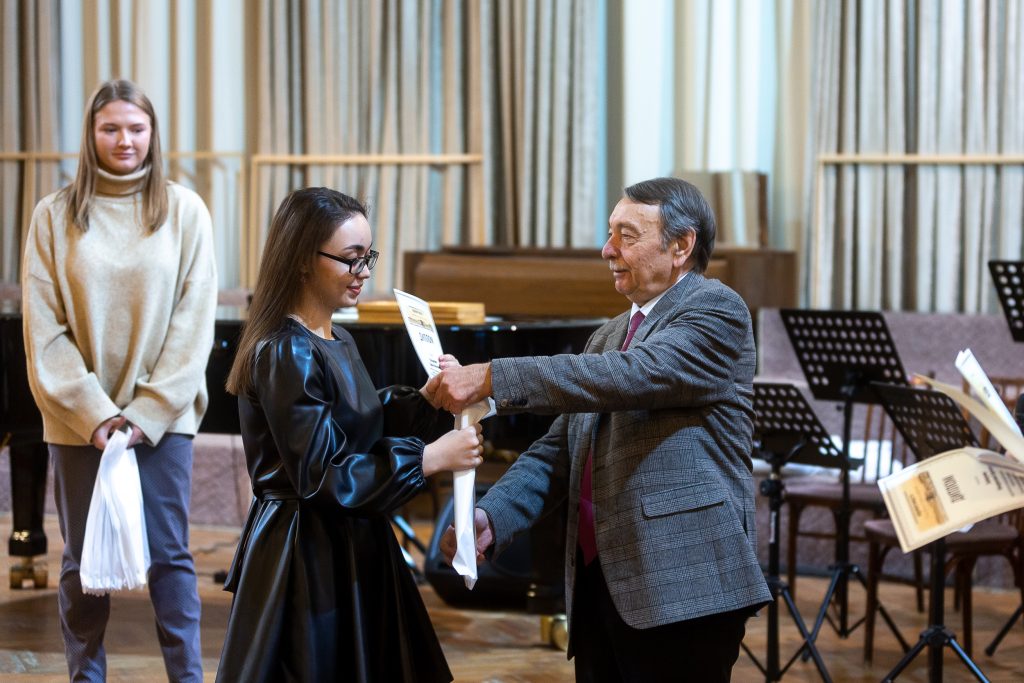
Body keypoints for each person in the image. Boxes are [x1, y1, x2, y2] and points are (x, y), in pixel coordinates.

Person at [434, 177, 773, 682]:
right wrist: (493, 515)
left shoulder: (716, 310)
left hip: (683, 583)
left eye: (627, 236)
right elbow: (558, 451)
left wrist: (490, 377)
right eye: (610, 232)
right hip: (599, 583)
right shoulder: (609, 334)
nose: (607, 249)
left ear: (681, 246)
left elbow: (634, 376)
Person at [216, 186, 483, 683]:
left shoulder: (337, 337)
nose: (363, 272)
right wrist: (428, 458)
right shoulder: (287, 350)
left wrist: (426, 401)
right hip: (306, 555)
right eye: (351, 258)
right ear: (303, 259)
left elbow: (357, 424)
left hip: (348, 538)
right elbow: (325, 474)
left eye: (368, 257)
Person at [21, 79, 216, 681]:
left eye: (136, 128)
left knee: (171, 557)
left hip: (162, 421)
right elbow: (44, 328)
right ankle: (86, 676)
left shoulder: (184, 210)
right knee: (83, 562)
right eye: (110, 128)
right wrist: (96, 415)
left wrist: (145, 414)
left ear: (153, 133)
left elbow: (193, 323)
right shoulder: (53, 215)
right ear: (91, 134)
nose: (124, 140)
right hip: (80, 422)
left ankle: (187, 676)